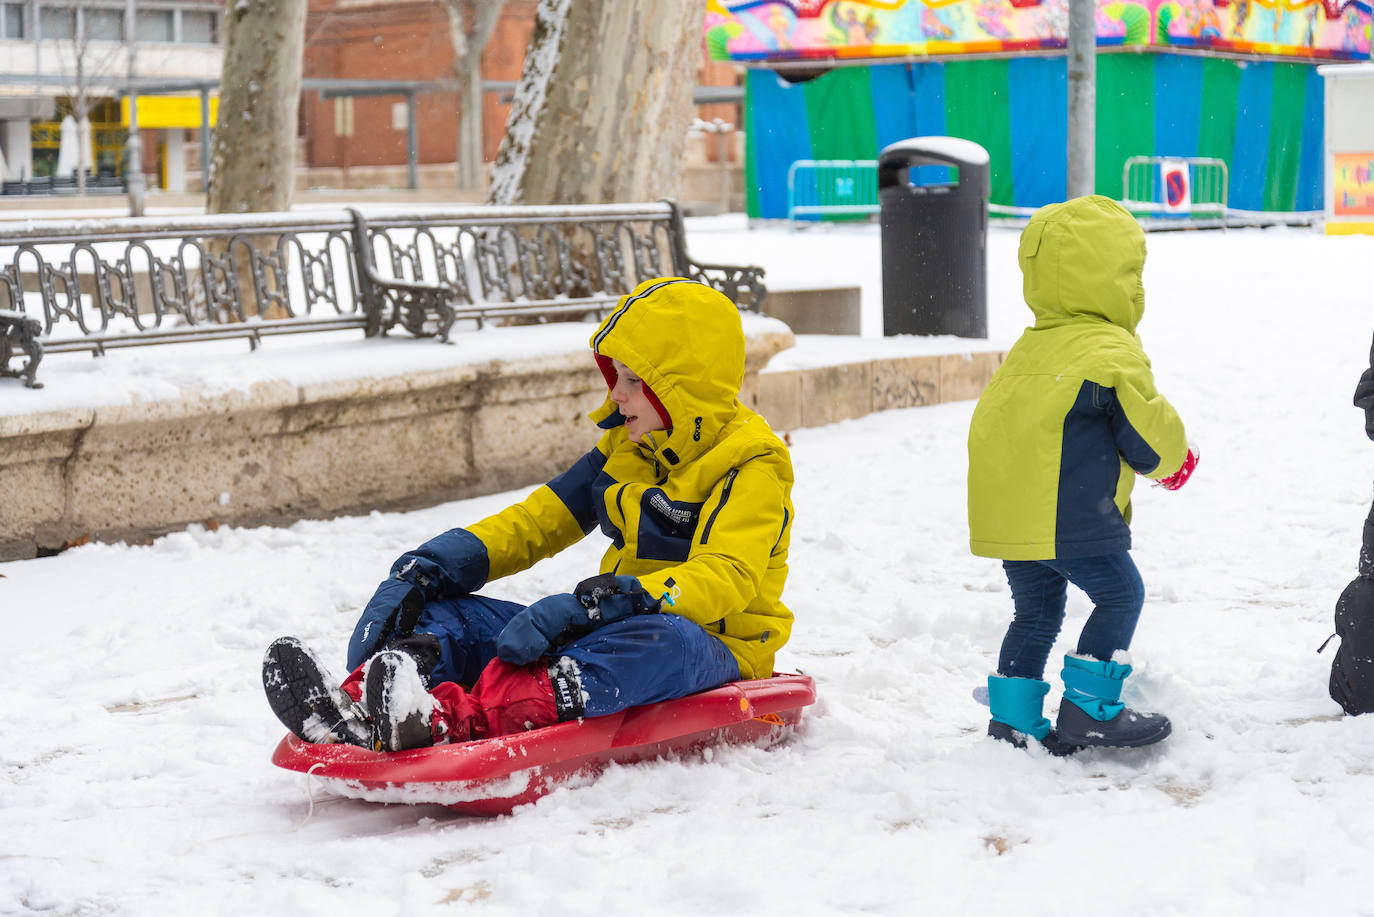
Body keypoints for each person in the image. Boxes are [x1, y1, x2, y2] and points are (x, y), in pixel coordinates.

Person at [261, 277, 796, 752]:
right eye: (617, 375)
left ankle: (444, 721)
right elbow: (540, 519)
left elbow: (728, 575)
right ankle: (361, 709)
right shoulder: (626, 447)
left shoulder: (753, 465)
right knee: (444, 615)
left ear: (685, 389)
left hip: (710, 645)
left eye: (635, 380)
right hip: (611, 618)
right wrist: (441, 562)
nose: (617, 393)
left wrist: (615, 603)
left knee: (663, 640)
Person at [966, 195, 1198, 755]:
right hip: (1068, 512)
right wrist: (1174, 463)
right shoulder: (1110, 350)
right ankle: (1090, 711)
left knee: (1037, 610)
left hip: (1013, 513)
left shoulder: (1027, 348)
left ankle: (1014, 720)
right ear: (1118, 278)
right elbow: (1146, 430)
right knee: (1121, 595)